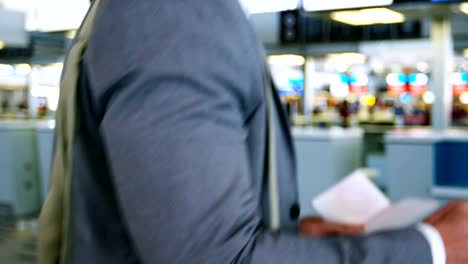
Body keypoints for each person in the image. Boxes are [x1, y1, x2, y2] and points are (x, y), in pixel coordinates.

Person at [39, 0, 468, 263]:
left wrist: (291, 236)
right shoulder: (177, 12)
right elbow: (213, 259)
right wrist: (431, 249)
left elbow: (183, 227)